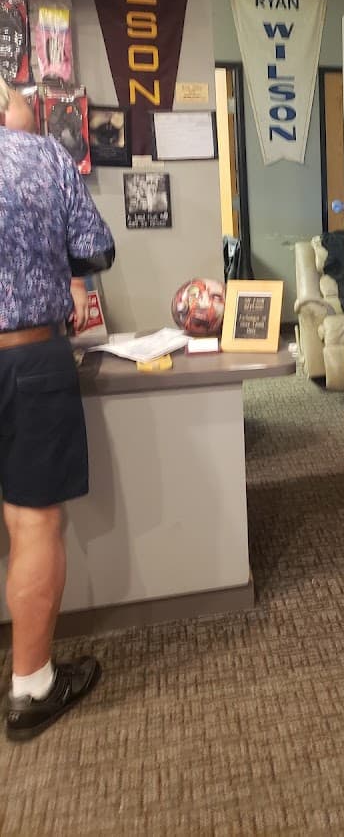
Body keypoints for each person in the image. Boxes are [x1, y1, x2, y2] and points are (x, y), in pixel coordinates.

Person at [0, 78, 115, 741]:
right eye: (21, 96)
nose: (31, 105)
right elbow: (96, 247)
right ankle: (32, 686)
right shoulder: (41, 154)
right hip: (27, 360)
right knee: (34, 522)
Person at [1, 89, 91, 335]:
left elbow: (79, 239)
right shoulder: (53, 157)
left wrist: (75, 281)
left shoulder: (50, 161)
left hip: (43, 339)